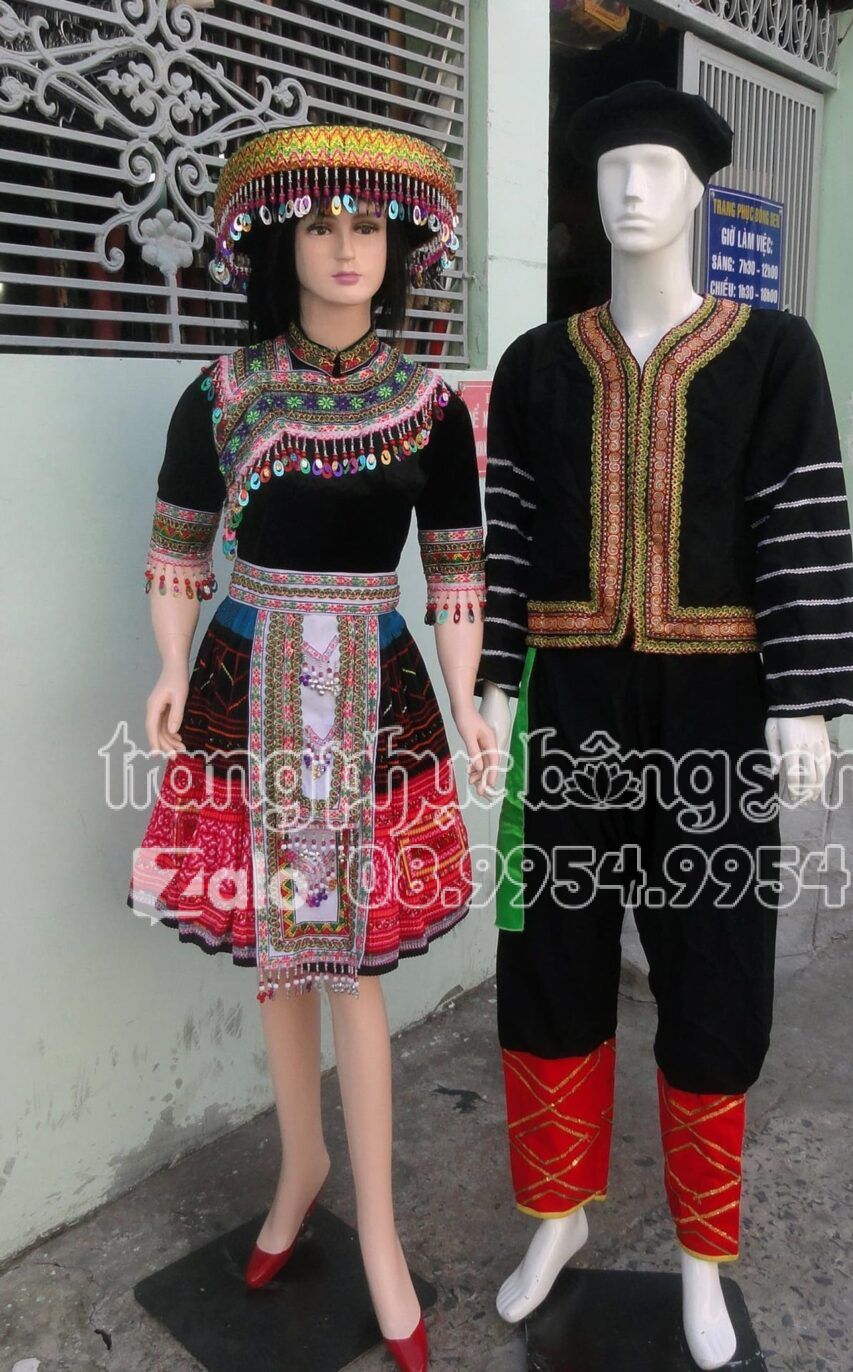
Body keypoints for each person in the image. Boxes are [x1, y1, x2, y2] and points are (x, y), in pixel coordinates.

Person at [477, 81, 853, 1369]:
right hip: (569, 705)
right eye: (607, 169)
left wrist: (801, 696)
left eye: (654, 167)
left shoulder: (770, 353)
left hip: (716, 707)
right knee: (547, 958)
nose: (629, 190)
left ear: (700, 190)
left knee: (712, 965)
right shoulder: (537, 365)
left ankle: (703, 1252)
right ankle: (558, 1214)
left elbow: (799, 524)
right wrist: (493, 682)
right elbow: (510, 534)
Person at [127, 122, 492, 1372]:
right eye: (323, 226)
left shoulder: (428, 405)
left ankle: (377, 1232)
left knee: (352, 969)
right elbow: (178, 548)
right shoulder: (222, 393)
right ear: (282, 242)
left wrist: (467, 701)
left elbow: (455, 572)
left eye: (368, 227)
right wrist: (170, 665)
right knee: (281, 957)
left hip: (375, 694)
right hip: (246, 685)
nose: (346, 249)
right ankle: (302, 1164)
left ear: (396, 247)